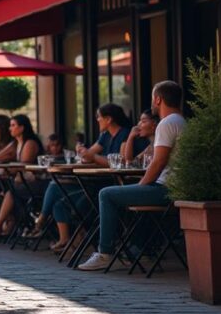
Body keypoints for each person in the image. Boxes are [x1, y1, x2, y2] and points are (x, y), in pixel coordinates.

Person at [79, 81, 185, 270]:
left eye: (153, 98)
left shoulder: (167, 123)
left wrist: (142, 185)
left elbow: (159, 162)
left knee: (106, 194)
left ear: (158, 99)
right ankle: (135, 248)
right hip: (175, 187)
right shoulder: (180, 120)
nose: (152, 102)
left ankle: (105, 253)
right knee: (116, 194)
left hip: (165, 189)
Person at [29, 103, 140, 251]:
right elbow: (89, 154)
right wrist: (83, 152)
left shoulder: (124, 135)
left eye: (99, 117)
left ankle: (41, 222)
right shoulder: (105, 135)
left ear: (108, 119)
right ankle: (63, 238)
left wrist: (91, 156)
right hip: (95, 181)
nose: (97, 120)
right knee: (56, 193)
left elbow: (119, 162)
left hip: (109, 184)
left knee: (56, 188)